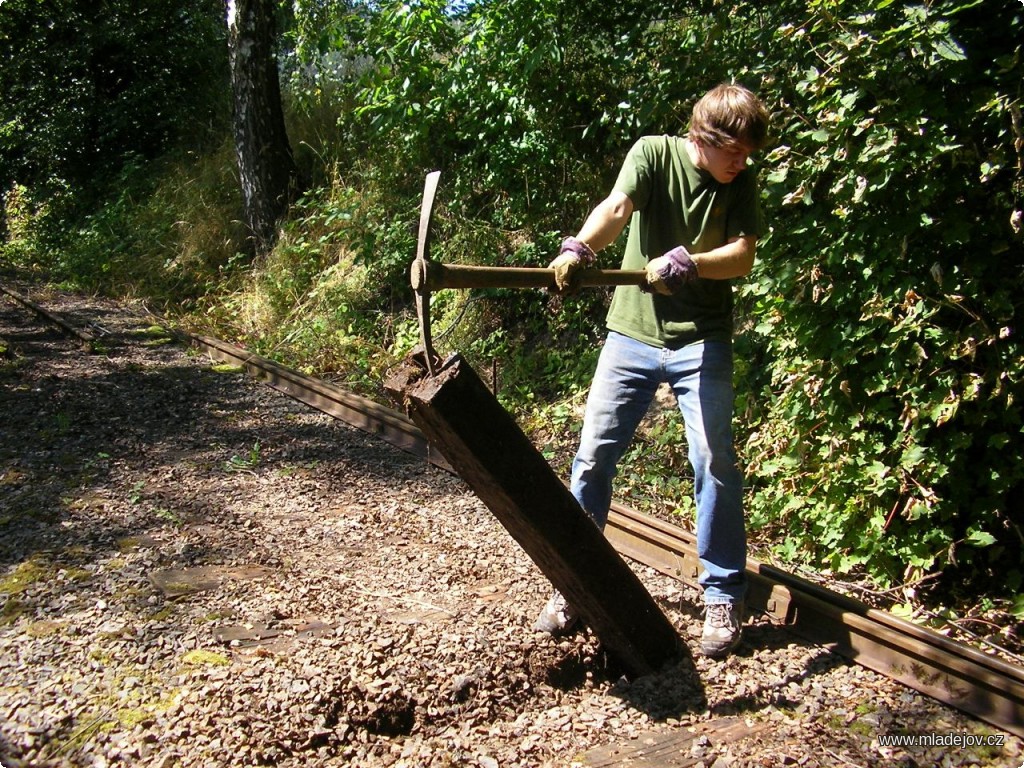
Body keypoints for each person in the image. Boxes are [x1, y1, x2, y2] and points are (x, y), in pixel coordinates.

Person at [535, 83, 770, 658]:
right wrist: (578, 250)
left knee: (713, 460)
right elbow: (617, 208)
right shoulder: (653, 154)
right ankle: (577, 584)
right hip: (632, 335)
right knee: (593, 453)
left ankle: (721, 594)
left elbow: (743, 254)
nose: (743, 162)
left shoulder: (741, 183)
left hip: (702, 341)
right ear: (703, 139)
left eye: (747, 153)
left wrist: (689, 262)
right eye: (734, 151)